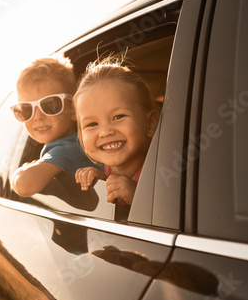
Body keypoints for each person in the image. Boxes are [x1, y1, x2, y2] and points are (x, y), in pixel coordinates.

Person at [10, 56, 102, 197]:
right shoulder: (74, 144)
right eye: (26, 109)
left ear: (73, 109)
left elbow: (25, 185)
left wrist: (19, 171)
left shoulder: (68, 148)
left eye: (50, 105)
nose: (37, 116)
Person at [74, 58, 160, 207]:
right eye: (92, 124)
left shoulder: (163, 173)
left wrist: (137, 198)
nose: (105, 132)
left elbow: (168, 217)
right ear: (81, 136)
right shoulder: (107, 168)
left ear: (150, 123)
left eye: (118, 117)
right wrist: (100, 181)